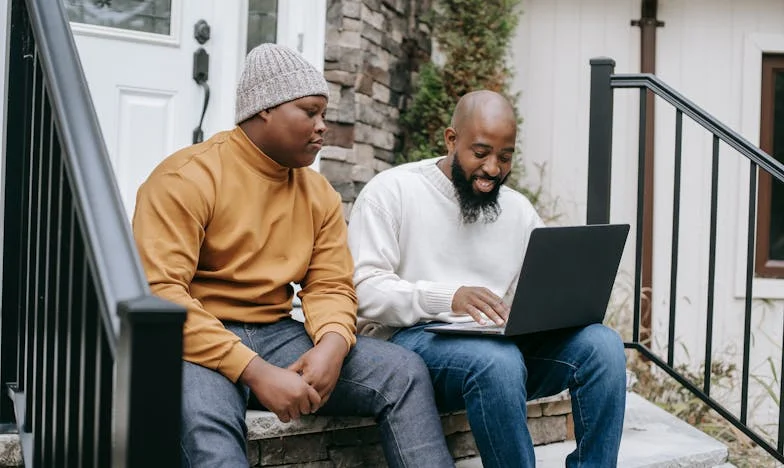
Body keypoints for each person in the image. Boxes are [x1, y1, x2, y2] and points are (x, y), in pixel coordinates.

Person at [132, 43, 455, 468]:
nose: (323, 126)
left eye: (324, 113)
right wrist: (256, 372)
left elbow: (331, 283)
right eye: (310, 111)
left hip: (278, 333)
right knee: (206, 429)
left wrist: (333, 345)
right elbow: (161, 293)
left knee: (404, 372)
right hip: (198, 338)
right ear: (265, 108)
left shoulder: (317, 191)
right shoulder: (186, 178)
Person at [347, 90, 627, 467]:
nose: (493, 169)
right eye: (480, 153)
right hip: (411, 342)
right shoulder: (393, 191)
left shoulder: (517, 210)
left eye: (505, 156)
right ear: (451, 139)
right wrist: (449, 297)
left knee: (603, 346)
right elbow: (363, 289)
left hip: (493, 344)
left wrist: (547, 312)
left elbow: (542, 287)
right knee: (497, 360)